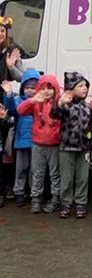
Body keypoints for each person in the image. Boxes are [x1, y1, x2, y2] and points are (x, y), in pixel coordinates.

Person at [50, 72, 92, 218]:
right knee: (67, 177)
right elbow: (54, 114)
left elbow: (91, 128)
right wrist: (60, 103)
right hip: (66, 148)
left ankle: (81, 203)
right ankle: (65, 204)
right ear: (71, 88)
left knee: (82, 178)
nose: (85, 89)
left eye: (86, 86)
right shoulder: (65, 105)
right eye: (81, 86)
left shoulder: (87, 108)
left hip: (83, 149)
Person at [16, 74, 62, 214]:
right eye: (43, 88)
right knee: (37, 173)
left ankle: (55, 199)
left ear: (55, 89)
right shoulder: (36, 103)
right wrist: (32, 100)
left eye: (50, 88)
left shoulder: (58, 103)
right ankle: (36, 199)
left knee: (55, 174)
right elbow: (20, 110)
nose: (47, 91)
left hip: (54, 144)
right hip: (38, 144)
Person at [2, 69, 40, 207]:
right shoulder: (18, 101)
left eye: (33, 88)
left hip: (36, 142)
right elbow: (11, 109)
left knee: (34, 169)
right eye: (27, 88)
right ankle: (19, 192)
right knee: (21, 168)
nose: (30, 91)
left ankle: (32, 192)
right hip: (21, 142)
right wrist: (9, 95)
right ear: (23, 88)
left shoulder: (39, 102)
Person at [0, 16, 23, 101]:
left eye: (2, 31)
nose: (0, 34)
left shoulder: (12, 51)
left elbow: (21, 77)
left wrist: (11, 67)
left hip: (5, 99)